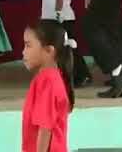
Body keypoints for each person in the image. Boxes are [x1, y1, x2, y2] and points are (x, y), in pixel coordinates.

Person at [22, 20, 75, 152]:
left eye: (28, 46)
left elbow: (45, 130)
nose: (23, 52)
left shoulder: (48, 82)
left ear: (49, 51)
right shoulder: (47, 78)